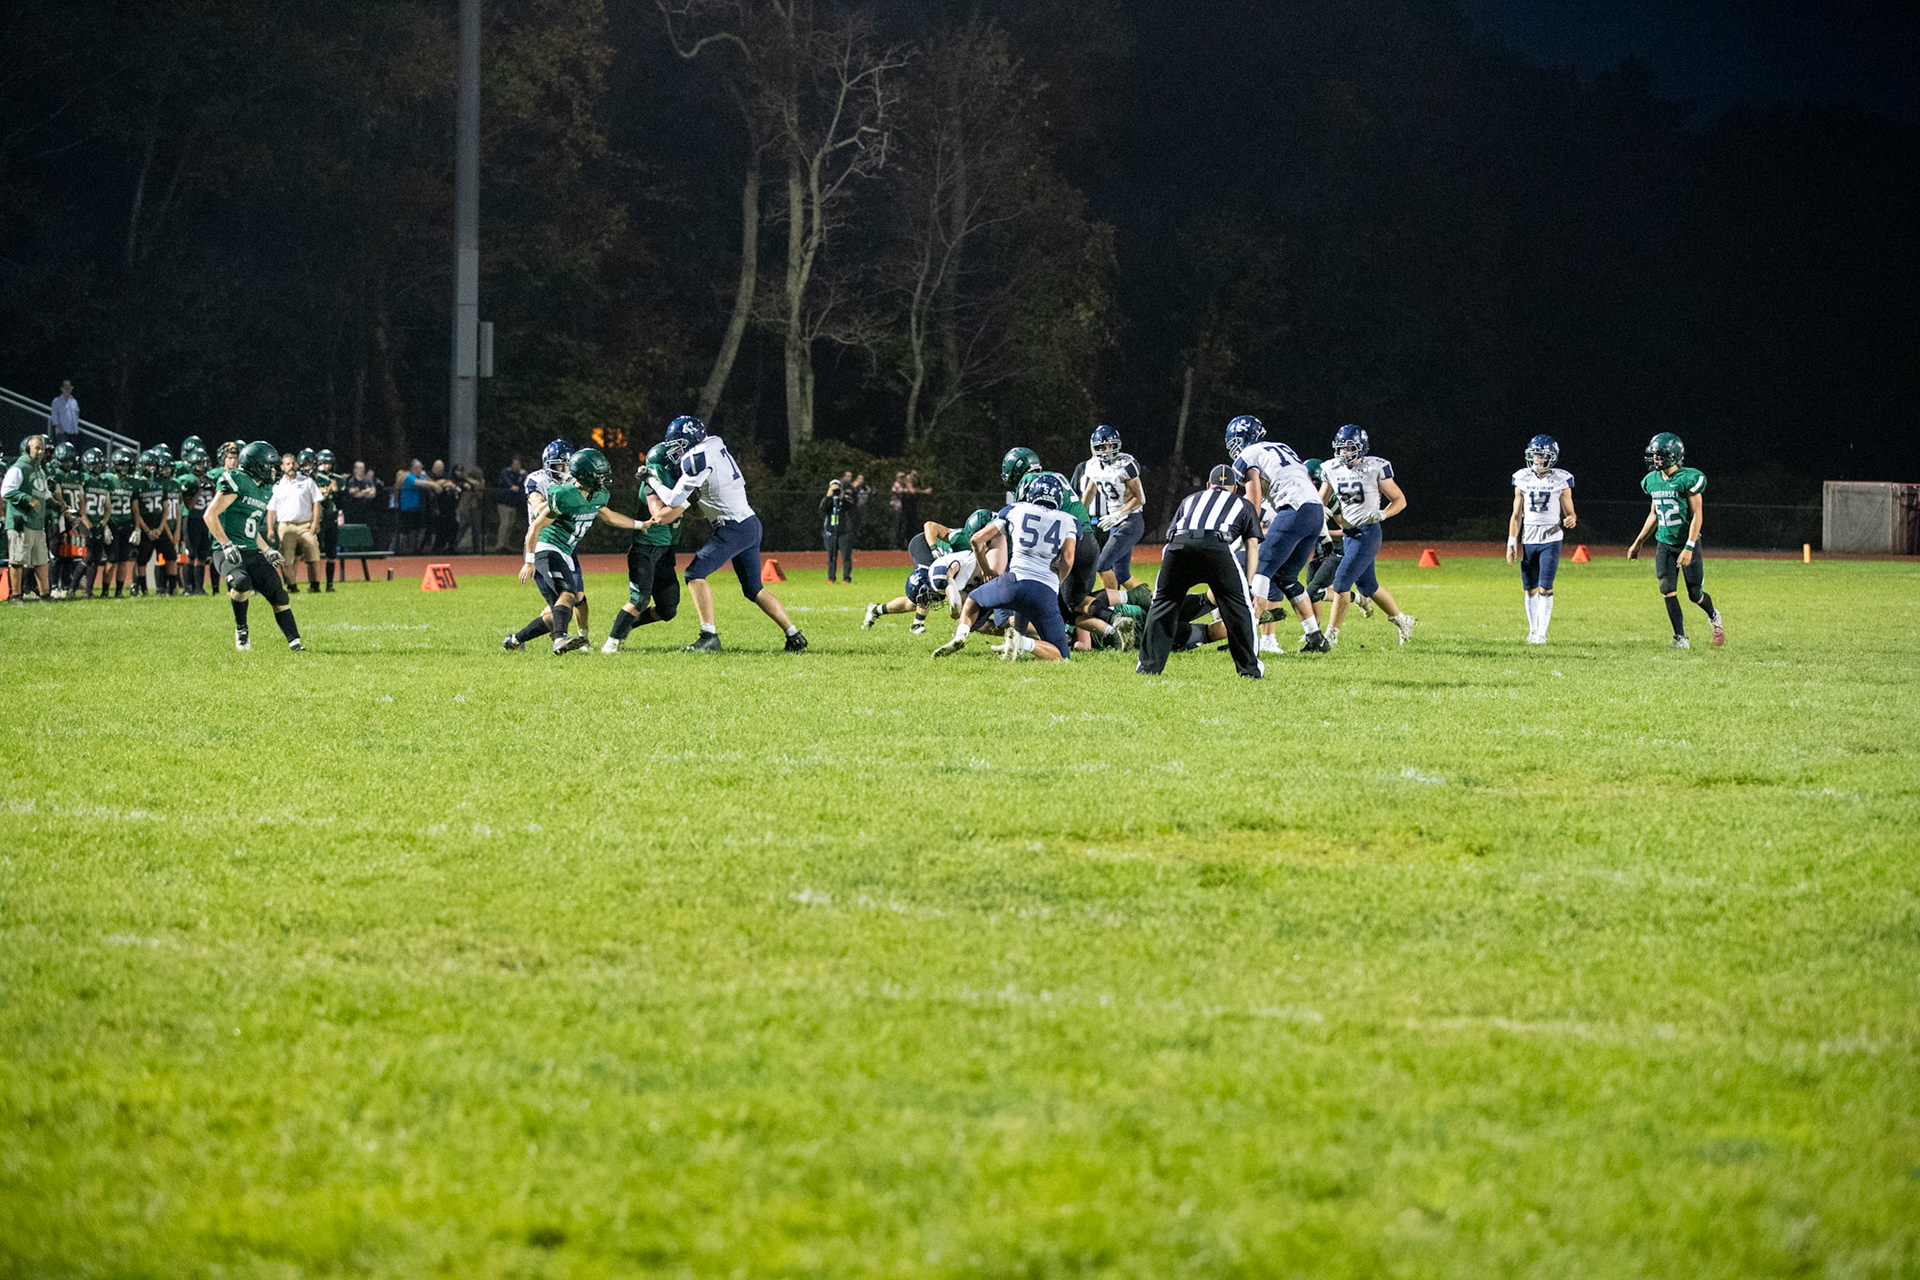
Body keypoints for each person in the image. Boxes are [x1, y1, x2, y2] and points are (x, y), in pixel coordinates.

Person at [637, 415, 806, 654]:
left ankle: (709, 636)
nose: (676, 451)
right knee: (754, 589)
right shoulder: (714, 444)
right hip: (749, 523)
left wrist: (652, 480)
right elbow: (700, 504)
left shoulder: (697, 457)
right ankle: (794, 635)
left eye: (678, 444)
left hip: (733, 527)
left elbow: (673, 499)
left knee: (694, 574)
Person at [504, 448, 647, 656]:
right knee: (568, 594)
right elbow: (535, 526)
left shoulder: (598, 495)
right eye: (599, 474)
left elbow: (609, 516)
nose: (602, 478)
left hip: (565, 551)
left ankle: (515, 640)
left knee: (564, 608)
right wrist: (529, 561)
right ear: (586, 475)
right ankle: (560, 640)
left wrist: (641, 524)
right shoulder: (564, 495)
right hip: (548, 547)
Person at [932, 471, 1077, 662]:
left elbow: (976, 539)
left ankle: (960, 635)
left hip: (1012, 583)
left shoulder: (1015, 509)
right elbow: (1067, 558)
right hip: (1045, 591)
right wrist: (1057, 582)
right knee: (1061, 655)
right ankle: (1023, 642)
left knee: (973, 600)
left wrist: (986, 570)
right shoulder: (1069, 520)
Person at [1136, 464, 1264, 678]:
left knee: (1163, 604)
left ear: (1208, 486)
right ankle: (1250, 670)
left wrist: (1168, 576)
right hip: (1216, 546)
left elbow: (1170, 537)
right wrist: (1248, 585)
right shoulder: (1242, 503)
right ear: (1235, 488)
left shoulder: (1190, 500)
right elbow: (1252, 546)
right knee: (1239, 608)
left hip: (1179, 546)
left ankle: (1148, 667)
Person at [1226, 414, 1332, 654]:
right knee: (1287, 578)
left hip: (1293, 510)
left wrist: (1240, 537)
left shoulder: (1247, 456)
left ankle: (1249, 640)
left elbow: (1253, 505)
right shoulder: (1283, 448)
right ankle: (1316, 638)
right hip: (1314, 511)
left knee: (1261, 570)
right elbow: (1304, 481)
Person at [1319, 424, 1416, 646]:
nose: (1344, 452)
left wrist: (1383, 514)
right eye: (1341, 448)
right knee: (1367, 586)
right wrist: (1320, 510)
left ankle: (1330, 636)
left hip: (1368, 532)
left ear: (1361, 447)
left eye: (1349, 447)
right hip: (1348, 534)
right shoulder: (1331, 468)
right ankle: (1402, 620)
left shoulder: (1375, 467)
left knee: (1341, 583)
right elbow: (1320, 500)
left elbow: (1400, 500)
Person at [1627, 431, 1725, 649]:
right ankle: (1680, 638)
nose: (1655, 459)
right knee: (1666, 588)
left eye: (1660, 455)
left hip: (1686, 543)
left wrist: (1689, 547)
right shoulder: (1652, 481)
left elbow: (1698, 515)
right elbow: (1654, 514)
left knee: (1695, 594)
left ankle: (1713, 615)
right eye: (1654, 455)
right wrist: (1638, 542)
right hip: (1665, 543)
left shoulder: (1688, 478)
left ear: (1673, 456)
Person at [206, 441, 304, 652]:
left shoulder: (264, 489)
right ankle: (241, 628)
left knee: (278, 592)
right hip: (227, 551)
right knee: (241, 583)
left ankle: (295, 643)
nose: (274, 471)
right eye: (270, 466)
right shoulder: (237, 480)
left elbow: (250, 527)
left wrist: (267, 549)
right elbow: (210, 515)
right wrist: (225, 544)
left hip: (252, 550)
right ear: (256, 465)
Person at [602, 441, 685, 653]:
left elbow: (698, 513)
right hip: (645, 549)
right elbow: (660, 516)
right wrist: (687, 502)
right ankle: (611, 643)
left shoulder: (677, 482)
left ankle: (626, 625)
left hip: (665, 550)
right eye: (674, 457)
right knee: (639, 599)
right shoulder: (652, 480)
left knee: (668, 608)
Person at [1508, 434, 1577, 644]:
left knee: (1546, 586)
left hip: (1551, 538)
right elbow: (1516, 515)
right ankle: (1533, 630)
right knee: (1530, 588)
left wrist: (1571, 518)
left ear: (1551, 457)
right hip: (1529, 538)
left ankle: (1541, 633)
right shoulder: (1522, 478)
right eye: (1535, 454)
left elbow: (1570, 512)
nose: (1537, 459)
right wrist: (1511, 542)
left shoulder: (1561, 480)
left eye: (1541, 455)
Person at [522, 439, 588, 643]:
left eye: (567, 465)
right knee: (563, 600)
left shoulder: (574, 479)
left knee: (578, 596)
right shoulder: (537, 480)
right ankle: (519, 639)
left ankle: (583, 638)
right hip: (543, 542)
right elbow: (537, 507)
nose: (564, 470)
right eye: (559, 465)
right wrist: (560, 499)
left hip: (565, 544)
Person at [1082, 425, 1149, 596]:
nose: (1107, 450)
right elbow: (1090, 491)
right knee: (1122, 574)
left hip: (1130, 521)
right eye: (1103, 446)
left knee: (1102, 565)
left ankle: (1113, 606)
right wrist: (1079, 514)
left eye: (1111, 445)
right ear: (1095, 447)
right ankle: (1151, 603)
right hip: (1116, 523)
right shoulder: (1093, 466)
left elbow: (1140, 498)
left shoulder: (1125, 465)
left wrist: (1118, 514)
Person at [3, 435, 53, 602]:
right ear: (26, 448)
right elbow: (7, 491)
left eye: (42, 449)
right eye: (37, 448)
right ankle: (16, 596)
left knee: (41, 561)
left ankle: (45, 595)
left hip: (37, 523)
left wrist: (60, 506)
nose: (40, 452)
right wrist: (28, 499)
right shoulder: (19, 468)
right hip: (20, 521)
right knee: (17, 560)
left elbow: (45, 494)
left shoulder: (39, 470)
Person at [269, 452, 324, 593]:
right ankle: (291, 586)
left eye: (293, 463)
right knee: (286, 559)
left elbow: (316, 503)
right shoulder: (277, 486)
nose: (291, 466)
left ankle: (315, 585)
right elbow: (271, 509)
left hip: (305, 524)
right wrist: (270, 528)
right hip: (286, 525)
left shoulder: (307, 482)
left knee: (313, 555)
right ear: (282, 467)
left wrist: (315, 522)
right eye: (288, 464)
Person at [129, 449, 176, 596]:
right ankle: (143, 590)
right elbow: (136, 510)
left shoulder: (161, 483)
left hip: (158, 525)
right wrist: (147, 530)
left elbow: (165, 509)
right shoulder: (138, 484)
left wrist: (160, 529)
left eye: (154, 465)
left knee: (171, 556)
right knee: (142, 559)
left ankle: (172, 589)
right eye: (148, 465)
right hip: (146, 526)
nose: (152, 468)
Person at [48, 442, 88, 598]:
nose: (68, 464)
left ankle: (65, 585)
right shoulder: (55, 474)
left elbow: (81, 499)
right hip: (58, 518)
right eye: (64, 460)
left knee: (70, 553)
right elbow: (58, 497)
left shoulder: (77, 476)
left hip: (73, 519)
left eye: (70, 460)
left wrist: (81, 517)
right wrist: (68, 514)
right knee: (56, 554)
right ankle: (53, 586)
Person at [179, 444, 215, 594]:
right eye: (200, 464)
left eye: (204, 463)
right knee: (190, 554)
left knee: (202, 555)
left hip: (206, 521)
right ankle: (188, 588)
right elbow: (189, 505)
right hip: (192, 519)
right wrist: (199, 489)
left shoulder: (210, 479)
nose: (203, 466)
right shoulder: (189, 480)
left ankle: (199, 588)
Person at [312, 449, 341, 589]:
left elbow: (341, 504)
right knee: (314, 553)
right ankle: (315, 584)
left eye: (329, 463)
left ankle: (329, 584)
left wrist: (335, 491)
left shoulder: (336, 480)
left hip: (331, 519)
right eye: (324, 463)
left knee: (331, 552)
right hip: (318, 519)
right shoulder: (313, 479)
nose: (327, 466)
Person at [491, 455, 529, 552]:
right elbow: (510, 483)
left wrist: (524, 475)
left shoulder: (520, 474)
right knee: (505, 523)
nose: (516, 466)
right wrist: (512, 485)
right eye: (515, 464)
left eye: (518, 464)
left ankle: (506, 544)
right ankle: (500, 545)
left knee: (510, 524)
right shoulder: (506, 472)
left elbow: (524, 485)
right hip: (504, 502)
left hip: (513, 503)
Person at [821, 477, 856, 583]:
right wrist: (829, 496)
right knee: (831, 556)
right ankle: (831, 577)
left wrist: (842, 497)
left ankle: (846, 578)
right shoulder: (827, 499)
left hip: (844, 531)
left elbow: (851, 506)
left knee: (846, 556)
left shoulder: (845, 499)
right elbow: (822, 509)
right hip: (830, 531)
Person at [395, 459, 425, 554]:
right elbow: (421, 483)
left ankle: (414, 549)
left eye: (420, 468)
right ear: (411, 468)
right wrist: (435, 485)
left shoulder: (420, 477)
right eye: (417, 468)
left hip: (416, 508)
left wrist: (426, 476)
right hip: (406, 508)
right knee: (405, 530)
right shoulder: (409, 477)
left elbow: (426, 481)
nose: (419, 470)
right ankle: (402, 550)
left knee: (417, 529)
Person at [46, 381, 80, 448]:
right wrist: (59, 426)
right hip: (62, 432)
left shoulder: (74, 401)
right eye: (65, 388)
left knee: (72, 451)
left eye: (69, 388)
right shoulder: (57, 401)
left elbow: (77, 415)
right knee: (63, 449)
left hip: (73, 432)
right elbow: (54, 415)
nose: (67, 390)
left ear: (71, 389)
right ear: (62, 389)